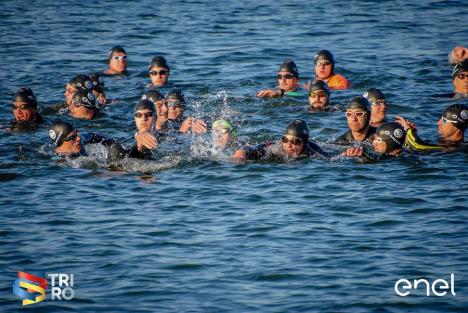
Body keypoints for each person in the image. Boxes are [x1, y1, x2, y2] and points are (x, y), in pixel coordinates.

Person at [233, 119, 328, 161]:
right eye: (285, 140)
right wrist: (242, 152)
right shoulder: (275, 147)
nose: (288, 145)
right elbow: (253, 149)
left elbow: (331, 159)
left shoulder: (313, 151)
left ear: (305, 143)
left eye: (295, 142)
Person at [396, 104, 467, 152]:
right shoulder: (441, 142)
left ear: (457, 125)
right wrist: (412, 134)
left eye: (444, 120)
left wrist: (408, 130)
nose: (438, 123)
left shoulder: (456, 149)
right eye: (440, 118)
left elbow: (418, 146)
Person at [48, 121, 114, 157]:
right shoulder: (61, 161)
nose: (78, 138)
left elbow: (93, 136)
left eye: (76, 134)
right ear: (60, 143)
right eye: (72, 137)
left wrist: (114, 146)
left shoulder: (80, 141)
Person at [342, 122, 406, 159]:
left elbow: (375, 159)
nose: (373, 143)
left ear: (390, 143)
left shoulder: (388, 159)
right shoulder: (408, 153)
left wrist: (363, 155)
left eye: (378, 140)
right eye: (374, 139)